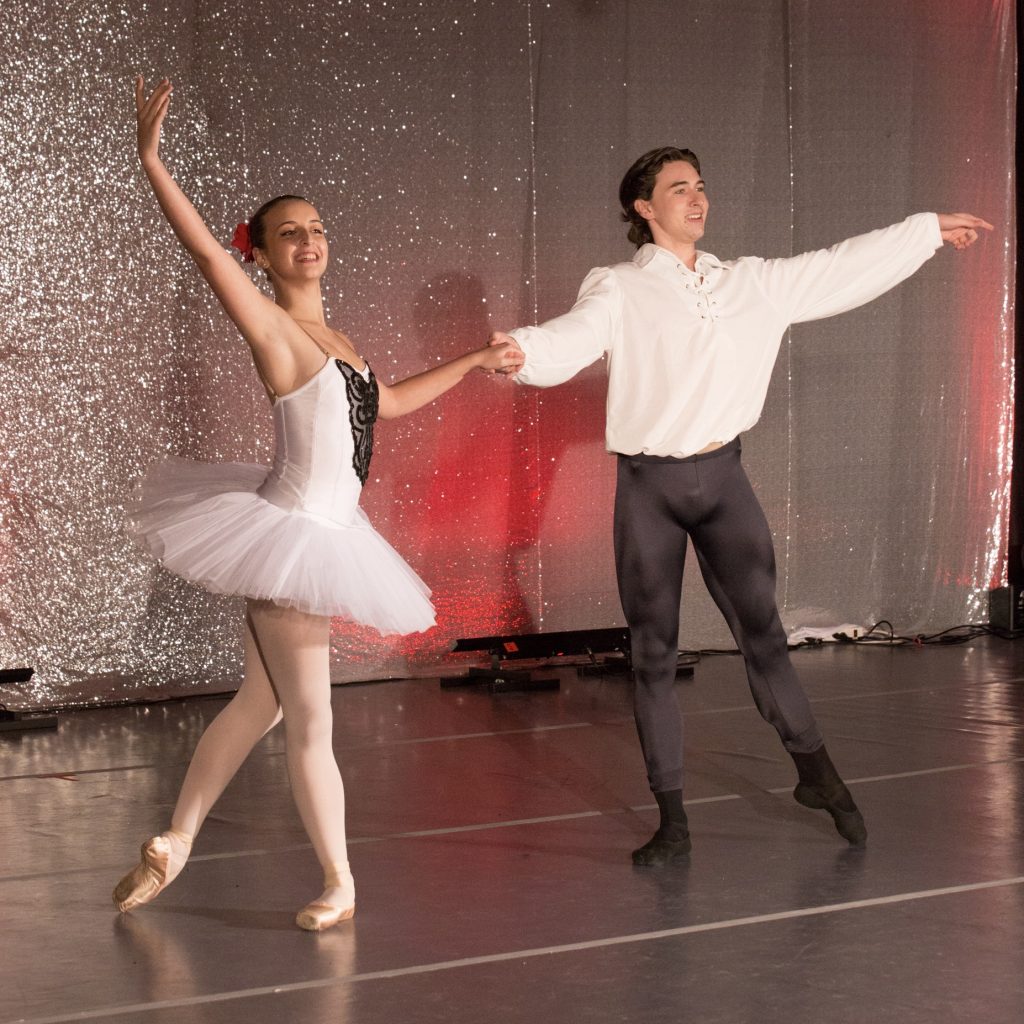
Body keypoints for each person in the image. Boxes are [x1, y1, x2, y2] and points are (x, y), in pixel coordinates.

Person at [491, 146, 992, 866]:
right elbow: (574, 336)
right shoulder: (620, 288)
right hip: (651, 492)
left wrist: (925, 231)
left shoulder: (750, 284)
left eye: (701, 186)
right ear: (643, 207)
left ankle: (817, 777)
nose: (697, 199)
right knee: (654, 655)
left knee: (766, 640)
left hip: (725, 483)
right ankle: (673, 821)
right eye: (678, 189)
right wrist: (522, 352)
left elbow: (838, 265)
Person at [113, 77, 523, 930]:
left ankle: (178, 840)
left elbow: (388, 404)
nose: (308, 239)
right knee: (312, 718)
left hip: (328, 531)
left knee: (258, 705)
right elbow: (205, 257)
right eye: (287, 233)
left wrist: (471, 363)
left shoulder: (343, 344)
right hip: (294, 535)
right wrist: (154, 164)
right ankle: (340, 881)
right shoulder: (275, 330)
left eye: (316, 229)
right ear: (259, 254)